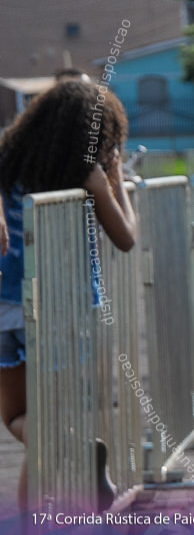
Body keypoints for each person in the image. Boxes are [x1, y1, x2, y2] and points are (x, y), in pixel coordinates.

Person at [0, 81, 136, 511]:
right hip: (62, 309)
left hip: (4, 308)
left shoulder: (6, 163)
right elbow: (127, 238)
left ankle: (70, 453)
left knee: (20, 420)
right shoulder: (84, 177)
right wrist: (112, 183)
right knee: (44, 426)